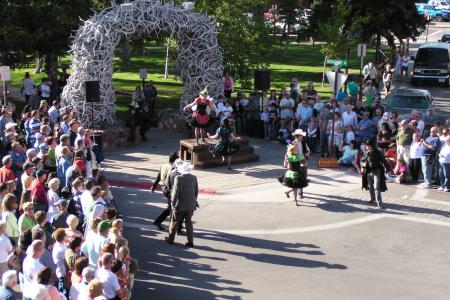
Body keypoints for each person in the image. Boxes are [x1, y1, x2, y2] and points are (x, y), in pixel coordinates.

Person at [165, 161, 199, 247]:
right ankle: (190, 241)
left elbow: (175, 192)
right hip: (191, 204)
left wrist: (173, 203)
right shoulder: (194, 178)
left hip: (180, 205)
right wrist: (194, 201)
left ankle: (170, 239)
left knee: (174, 222)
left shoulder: (178, 178)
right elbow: (196, 191)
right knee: (189, 223)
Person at [151, 151, 179, 230]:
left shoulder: (163, 165)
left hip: (163, 187)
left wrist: (154, 186)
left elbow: (158, 177)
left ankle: (179, 226)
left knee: (173, 207)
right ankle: (158, 221)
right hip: (169, 189)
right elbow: (173, 182)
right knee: (173, 207)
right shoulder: (173, 168)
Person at [361, 139, 389, 208]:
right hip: (368, 171)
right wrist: (362, 164)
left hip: (377, 170)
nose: (365, 146)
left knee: (376, 186)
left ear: (370, 146)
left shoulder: (377, 152)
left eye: (366, 145)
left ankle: (379, 203)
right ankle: (372, 199)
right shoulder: (366, 152)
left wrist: (387, 168)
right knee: (370, 186)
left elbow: (383, 160)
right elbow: (362, 160)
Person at [279, 141, 308, 206]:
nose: (297, 150)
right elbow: (286, 166)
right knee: (295, 188)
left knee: (297, 186)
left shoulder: (299, 156)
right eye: (296, 149)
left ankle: (288, 192)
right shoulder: (290, 157)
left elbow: (303, 164)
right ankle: (295, 201)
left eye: (297, 149)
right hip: (292, 173)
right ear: (292, 150)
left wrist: (303, 164)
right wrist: (286, 159)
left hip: (299, 172)